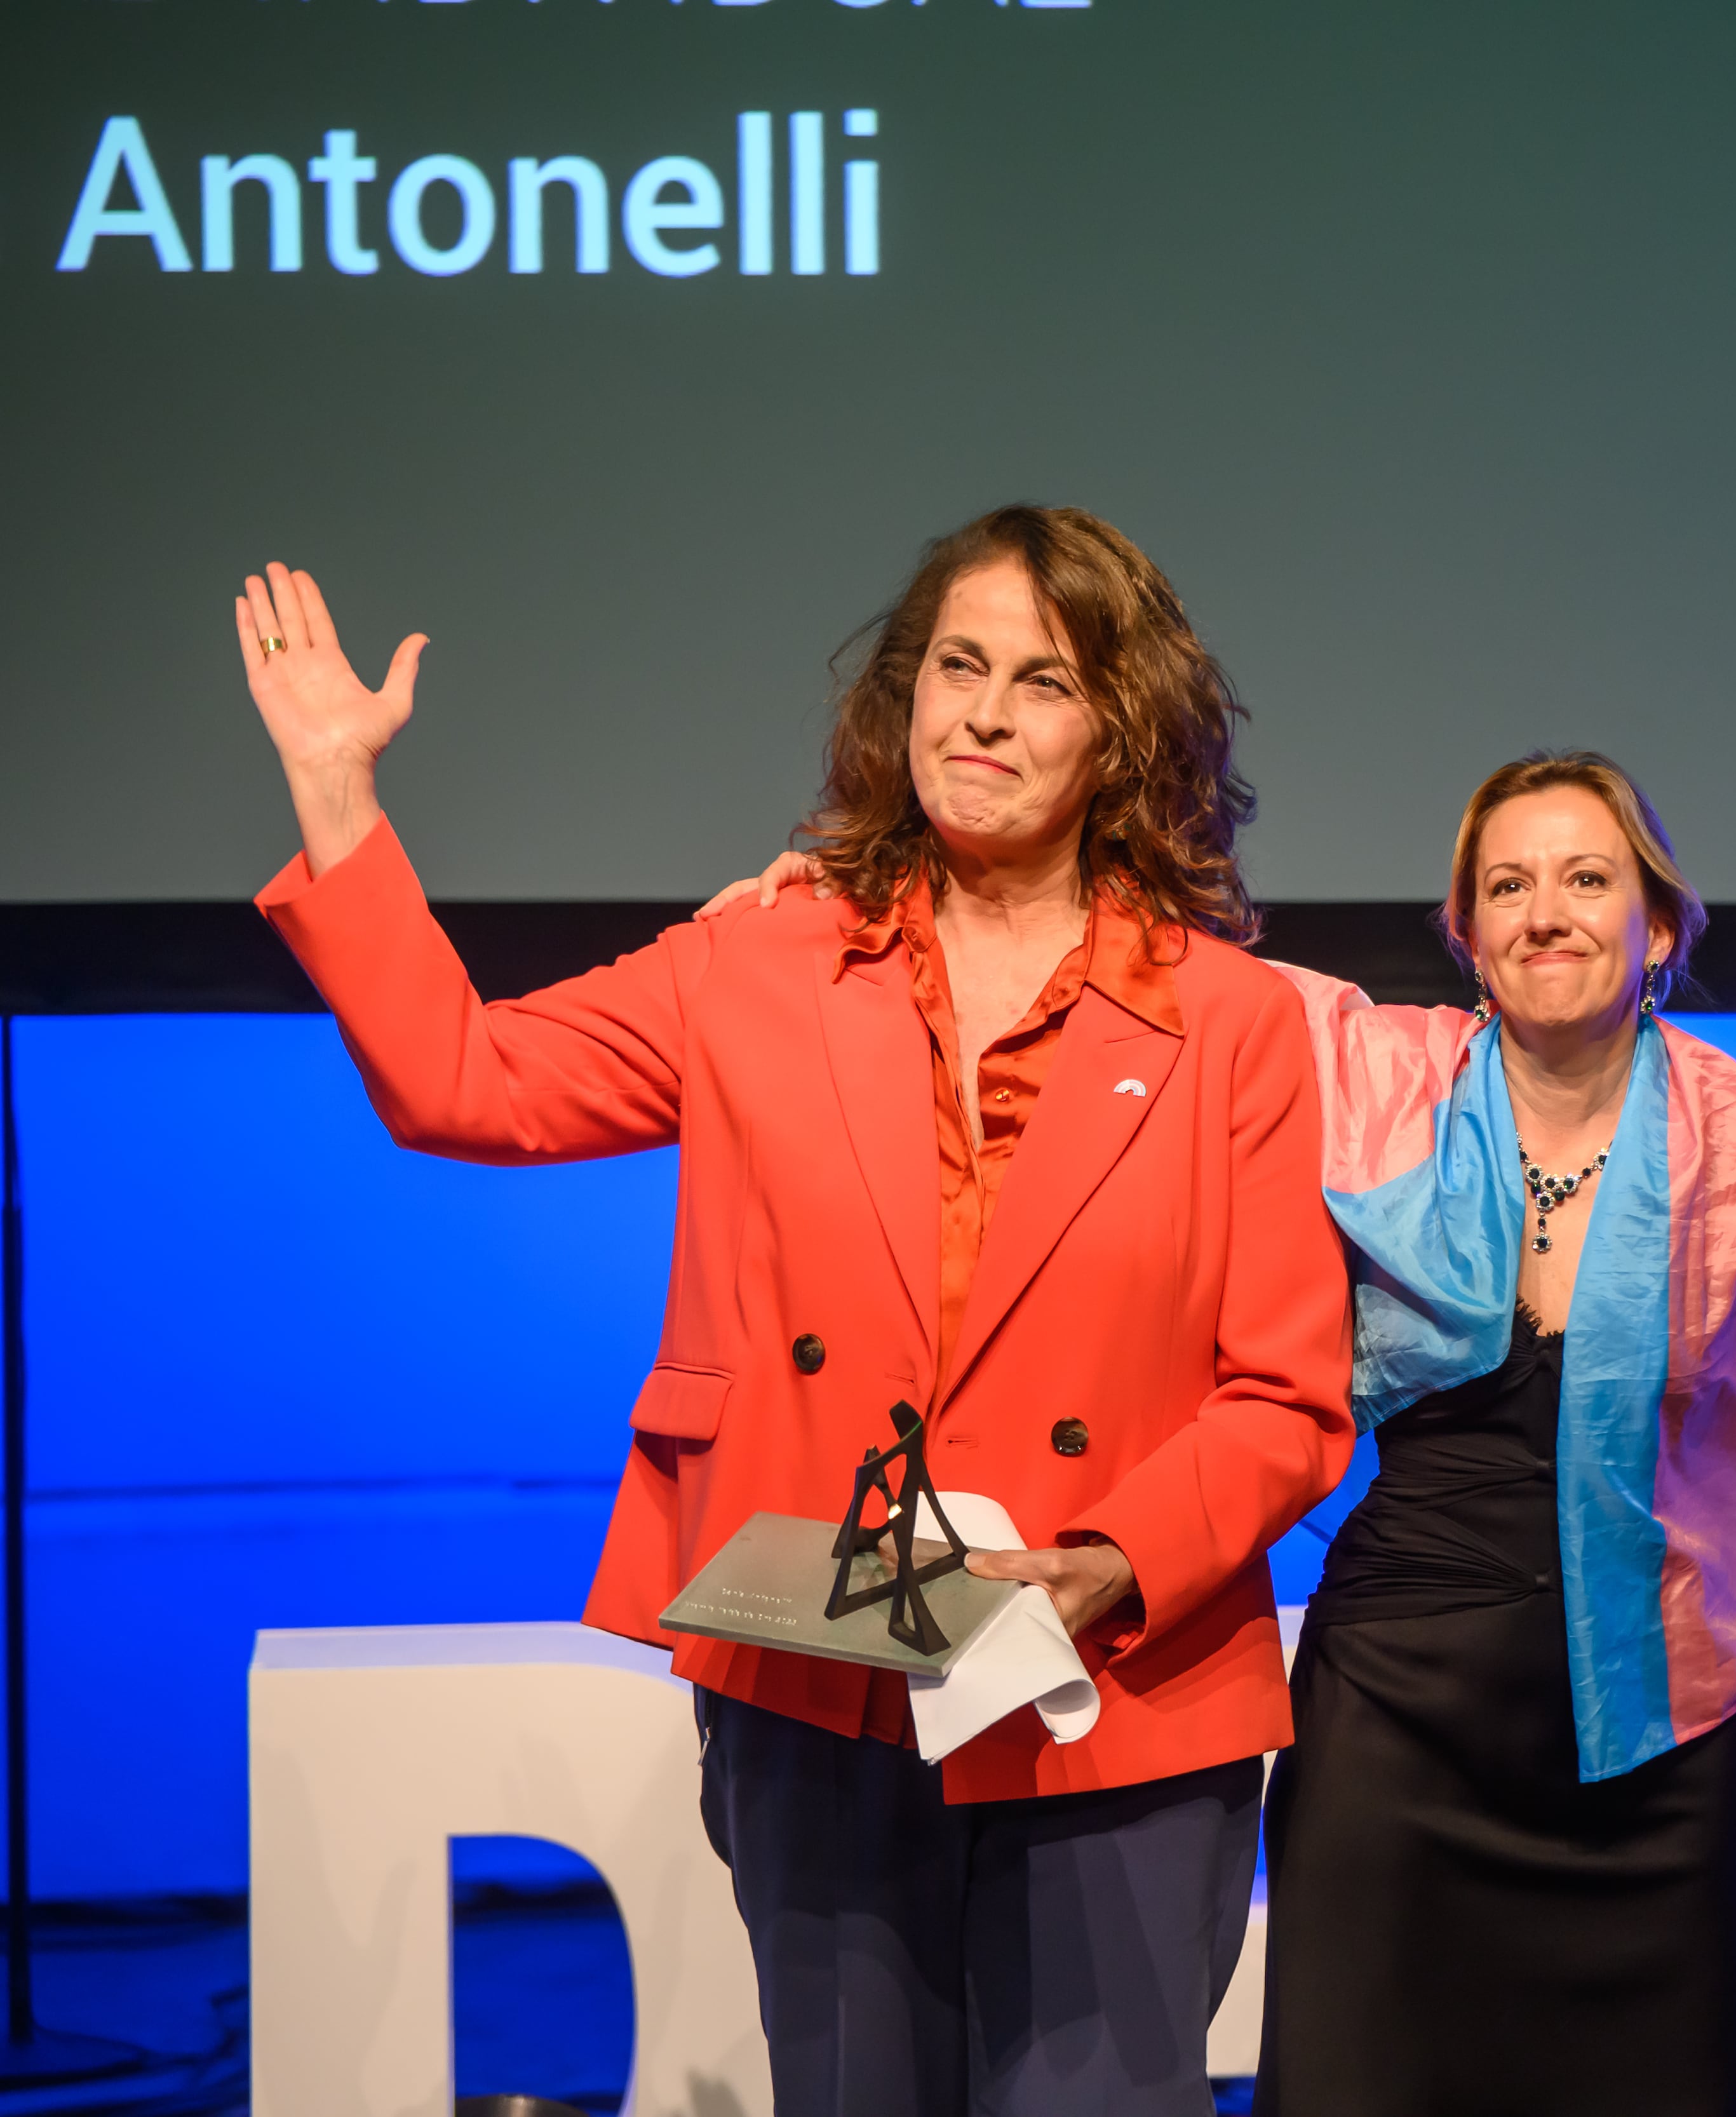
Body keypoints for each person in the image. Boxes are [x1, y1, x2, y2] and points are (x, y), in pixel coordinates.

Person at [234, 507, 1354, 2117]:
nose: (980, 712)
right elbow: (461, 1077)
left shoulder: (1233, 1021)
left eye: (1041, 681)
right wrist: (338, 794)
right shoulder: (756, 958)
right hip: (829, 1674)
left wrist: (1115, 1555)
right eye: (956, 666)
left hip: (1116, 1688)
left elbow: (1288, 1394)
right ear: (900, 697)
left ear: (1122, 733)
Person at [729, 749, 1736, 2112]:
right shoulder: (1363, 1066)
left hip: (1670, 1757)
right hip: (1398, 1731)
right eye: (1506, 884)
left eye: (1588, 878)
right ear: (1464, 934)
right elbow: (1104, 947)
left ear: (1659, 923)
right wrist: (855, 900)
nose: (1547, 912)